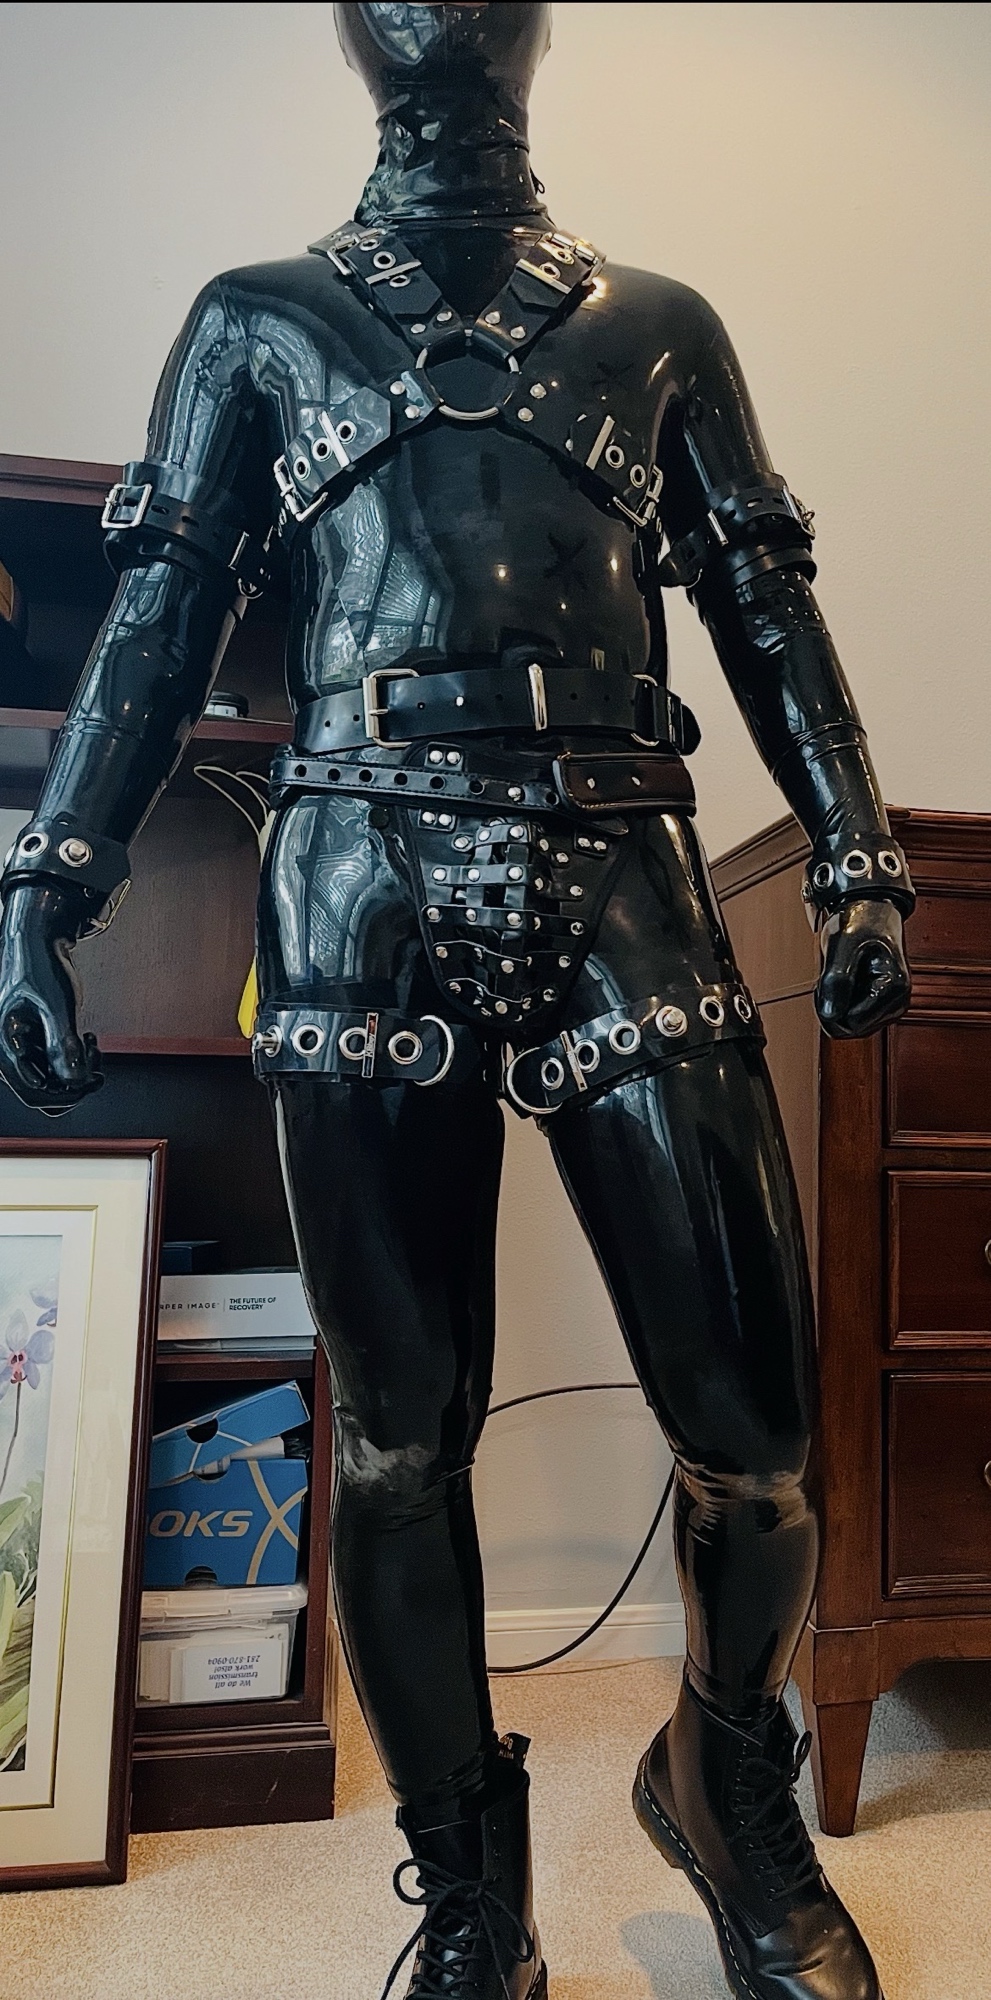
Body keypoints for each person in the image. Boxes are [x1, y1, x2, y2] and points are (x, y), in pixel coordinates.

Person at [0, 7, 912, 1996]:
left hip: (626, 851)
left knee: (756, 1431)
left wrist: (853, 841)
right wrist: (53, 878)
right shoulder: (256, 320)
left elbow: (759, 594)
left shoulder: (658, 324)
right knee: (401, 1440)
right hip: (355, 870)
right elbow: (161, 606)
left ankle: (725, 1784)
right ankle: (474, 1891)